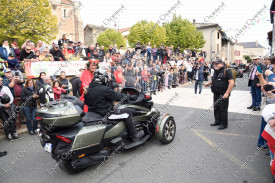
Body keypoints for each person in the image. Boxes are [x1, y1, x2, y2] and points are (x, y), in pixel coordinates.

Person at [84, 70, 144, 142]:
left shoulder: (88, 89)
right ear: (103, 79)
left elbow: (87, 102)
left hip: (95, 113)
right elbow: (118, 96)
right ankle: (134, 136)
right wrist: (130, 97)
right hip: (105, 113)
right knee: (128, 113)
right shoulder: (104, 89)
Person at [204, 59, 234, 130]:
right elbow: (213, 80)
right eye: (214, 64)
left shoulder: (226, 71)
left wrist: (227, 93)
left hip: (223, 94)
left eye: (217, 64)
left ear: (222, 64)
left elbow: (231, 82)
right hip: (216, 93)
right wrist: (208, 83)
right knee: (216, 108)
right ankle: (217, 121)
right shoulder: (215, 71)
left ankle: (224, 124)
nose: (215, 65)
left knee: (223, 109)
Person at [0, 77, 19, 141]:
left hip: (9, 106)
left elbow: (11, 96)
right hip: (1, 108)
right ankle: (8, 134)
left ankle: (14, 133)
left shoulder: (5, 88)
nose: (1, 81)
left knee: (12, 120)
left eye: (1, 80)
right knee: (6, 122)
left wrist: (9, 103)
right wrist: (3, 105)